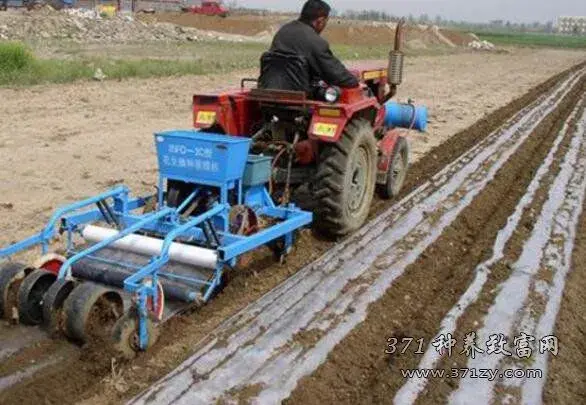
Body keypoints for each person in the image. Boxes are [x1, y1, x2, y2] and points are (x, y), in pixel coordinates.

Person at [259, 0, 359, 94]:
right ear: (321, 20)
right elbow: (336, 75)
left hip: (270, 93)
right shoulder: (316, 42)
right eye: (326, 21)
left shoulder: (283, 31)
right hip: (301, 99)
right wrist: (354, 80)